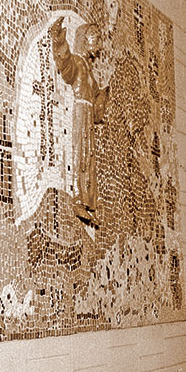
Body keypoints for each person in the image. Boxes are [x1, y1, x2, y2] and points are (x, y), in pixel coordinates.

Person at [50, 16, 109, 225]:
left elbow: (98, 113)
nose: (99, 44)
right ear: (84, 39)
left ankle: (86, 201)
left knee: (88, 157)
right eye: (96, 38)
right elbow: (65, 64)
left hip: (87, 116)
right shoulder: (78, 62)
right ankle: (77, 199)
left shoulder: (90, 72)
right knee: (80, 155)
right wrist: (58, 39)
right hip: (78, 112)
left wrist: (102, 96)